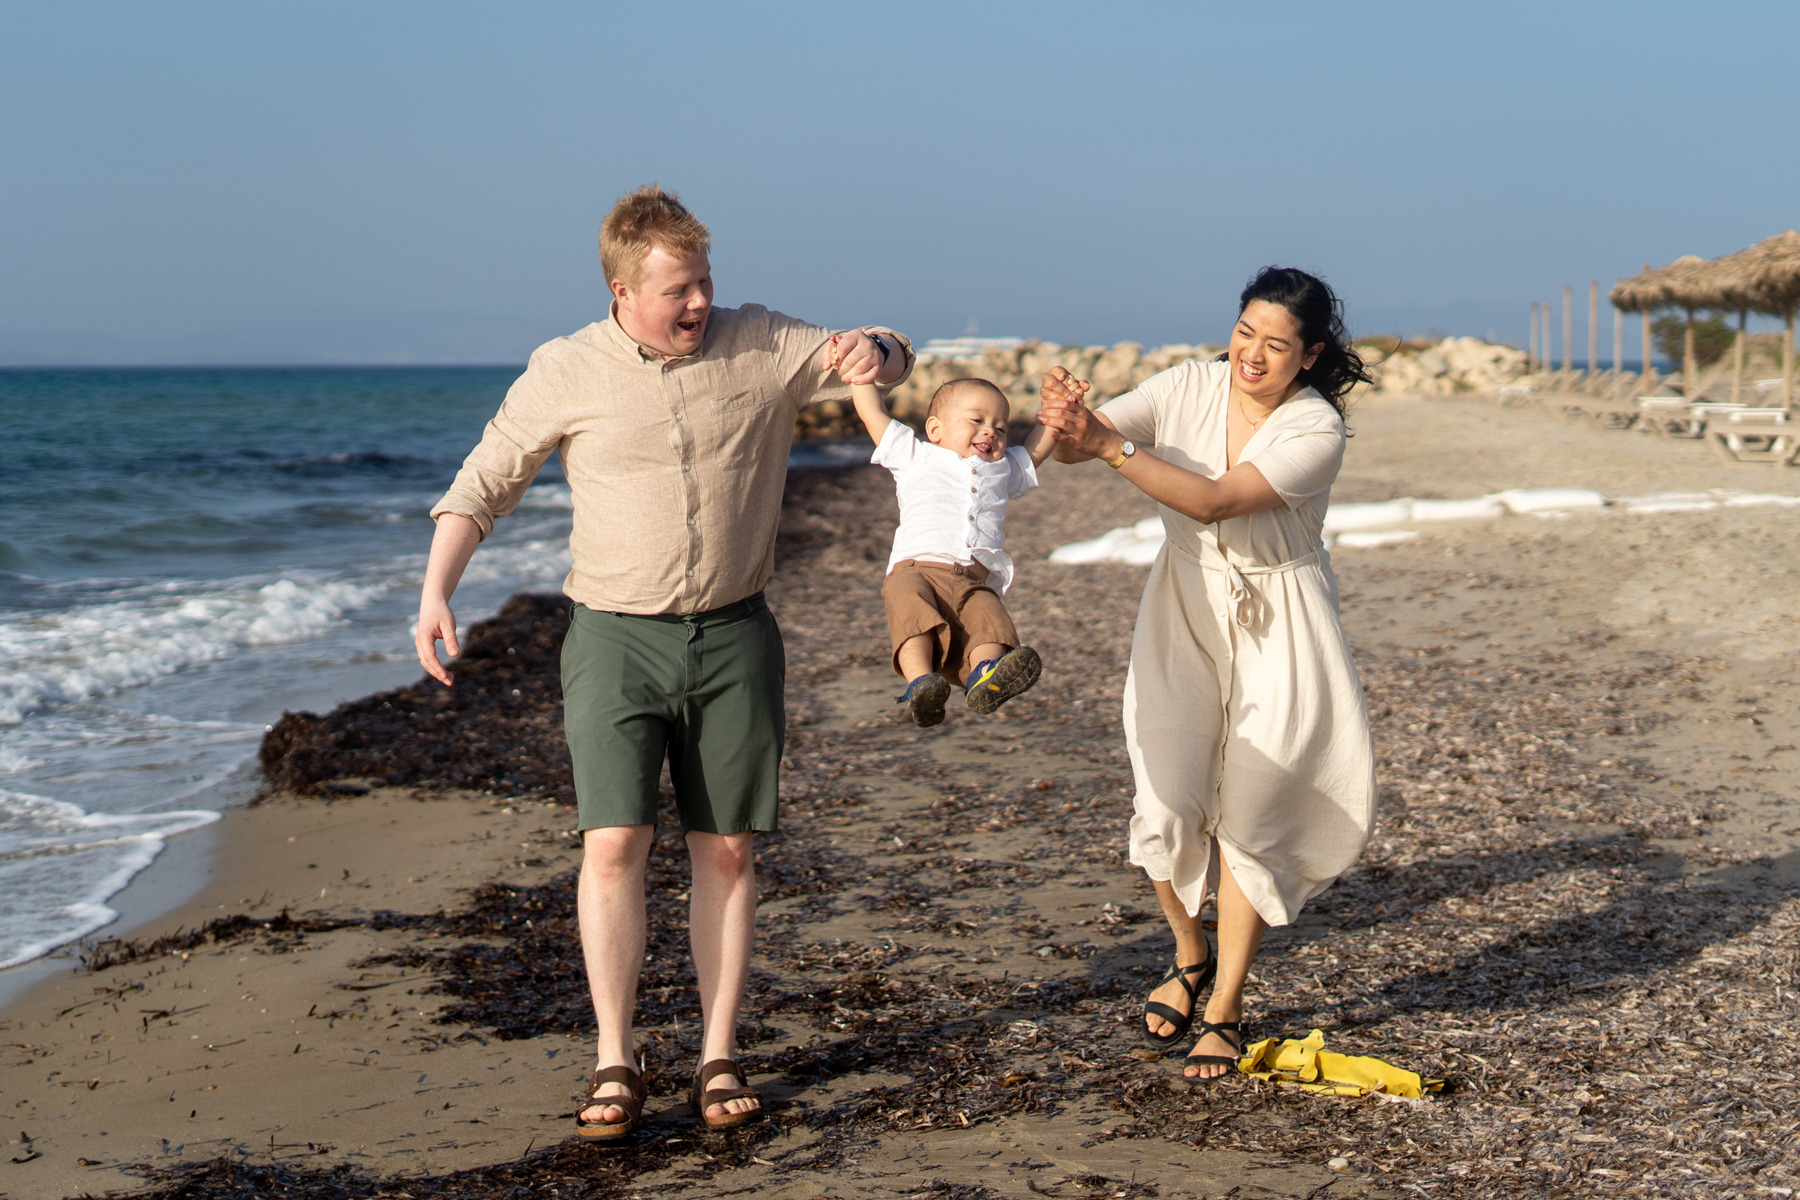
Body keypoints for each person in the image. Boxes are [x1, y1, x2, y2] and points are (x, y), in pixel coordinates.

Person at [414, 184, 913, 1137]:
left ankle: (718, 1054)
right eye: (678, 290)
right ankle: (616, 1058)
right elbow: (483, 482)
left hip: (734, 635)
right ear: (620, 289)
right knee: (613, 846)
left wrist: (876, 349)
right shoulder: (565, 369)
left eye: (705, 283)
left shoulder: (759, 340)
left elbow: (884, 350)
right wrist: (436, 593)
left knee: (725, 847)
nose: (698, 304)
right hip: (613, 640)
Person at [1035, 266, 1377, 1081]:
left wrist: (1110, 447)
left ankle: (1223, 1005)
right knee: (1166, 793)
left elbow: (1218, 500)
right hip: (1183, 603)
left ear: (1309, 355)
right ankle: (1189, 954)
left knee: (1253, 810)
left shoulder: (1314, 429)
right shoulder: (1189, 383)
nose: (1253, 355)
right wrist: (1063, 418)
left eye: (1277, 345)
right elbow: (1086, 440)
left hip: (1280, 620)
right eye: (1246, 333)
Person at [833, 359, 1053, 726]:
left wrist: (1055, 414)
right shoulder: (917, 456)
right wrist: (860, 373)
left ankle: (986, 675)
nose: (992, 432)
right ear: (935, 429)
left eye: (1000, 427)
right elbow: (873, 415)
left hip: (971, 580)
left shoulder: (1002, 470)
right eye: (977, 420)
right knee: (912, 613)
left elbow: (1035, 451)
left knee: (989, 619)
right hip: (916, 569)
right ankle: (921, 682)